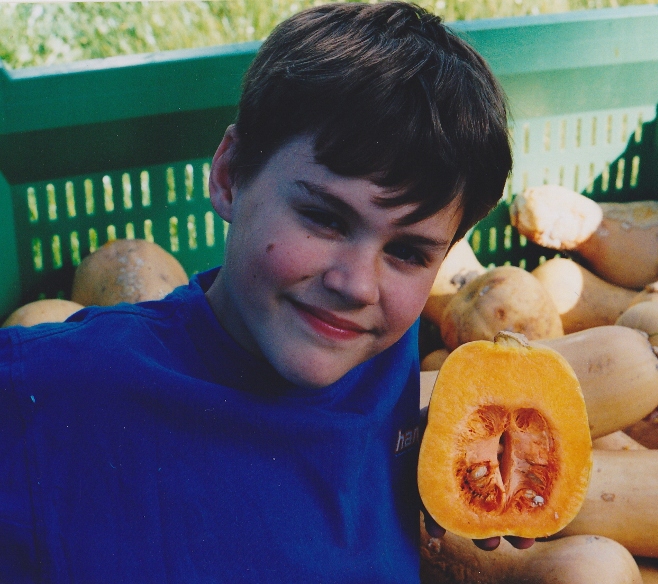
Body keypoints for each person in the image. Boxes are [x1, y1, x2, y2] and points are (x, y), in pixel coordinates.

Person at [0, 2, 526, 581]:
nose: (355, 285)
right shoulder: (49, 392)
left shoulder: (382, 363)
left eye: (406, 253)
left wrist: (434, 459)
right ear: (228, 176)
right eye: (324, 218)